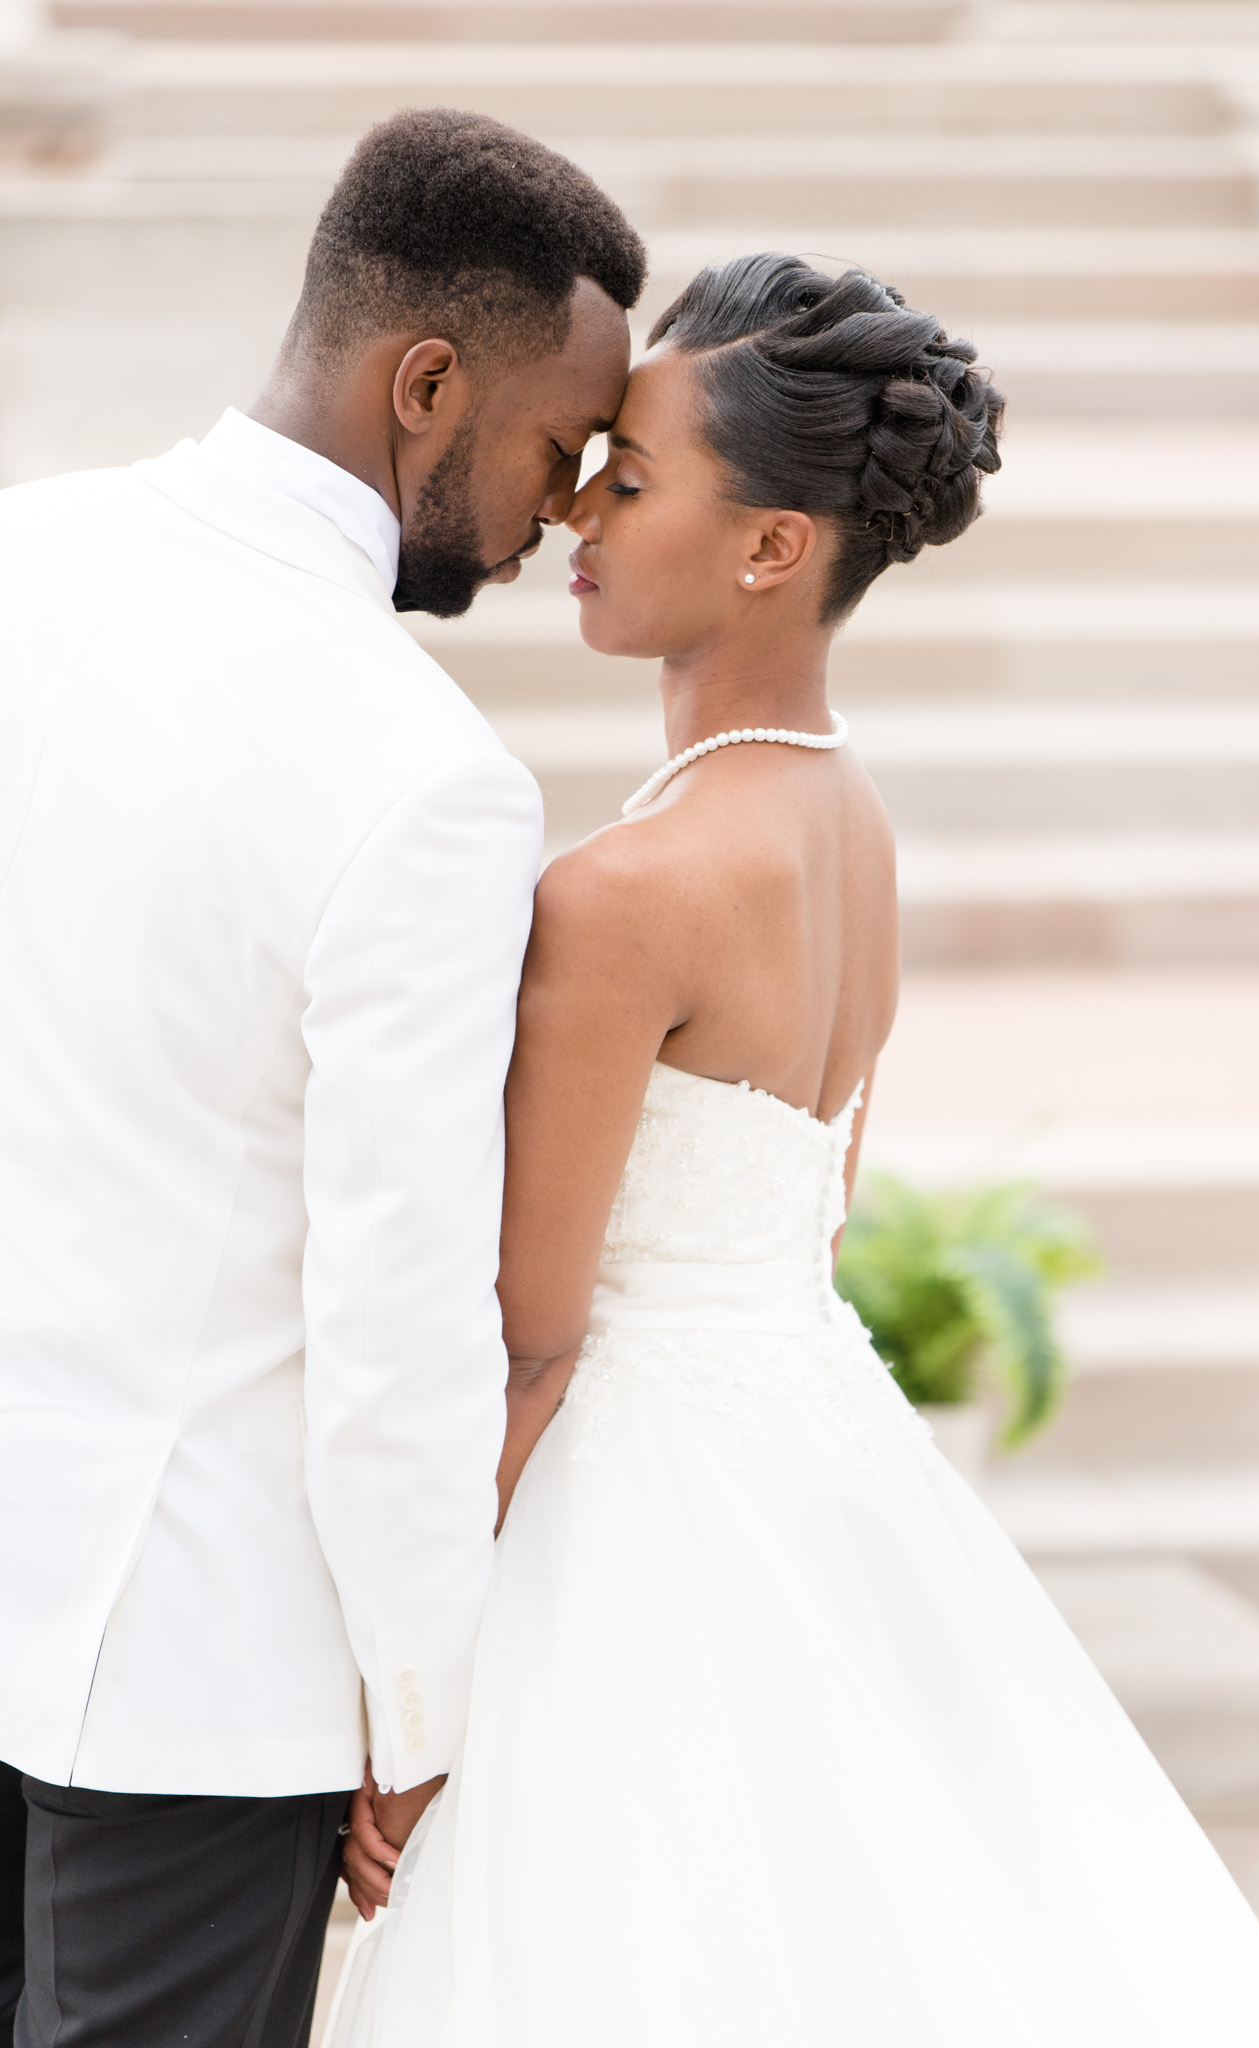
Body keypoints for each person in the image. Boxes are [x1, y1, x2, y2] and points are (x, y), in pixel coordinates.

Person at [331, 253, 1259, 2047]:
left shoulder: (624, 892)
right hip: (817, 1458)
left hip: (622, 1514)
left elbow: (529, 1336)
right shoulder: (851, 825)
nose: (573, 505)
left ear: (773, 547)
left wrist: (401, 1708)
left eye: (629, 481)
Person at [0, 108, 644, 2048]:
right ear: (426, 384)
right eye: (555, 450)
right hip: (191, 1693)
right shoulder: (427, 777)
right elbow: (394, 1325)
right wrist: (420, 1706)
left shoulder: (24, 552)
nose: (555, 525)